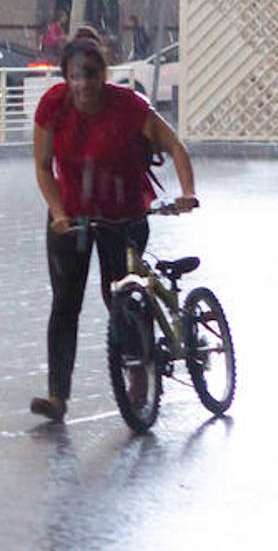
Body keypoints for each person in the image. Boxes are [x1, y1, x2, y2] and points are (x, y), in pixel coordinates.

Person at [29, 27, 198, 422]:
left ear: (103, 74)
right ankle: (57, 397)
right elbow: (41, 166)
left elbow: (175, 147)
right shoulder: (53, 106)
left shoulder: (128, 105)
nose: (82, 83)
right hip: (70, 215)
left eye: (90, 73)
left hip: (124, 214)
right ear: (65, 77)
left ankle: (138, 372)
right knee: (65, 304)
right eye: (74, 75)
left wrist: (188, 193)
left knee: (120, 299)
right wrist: (57, 212)